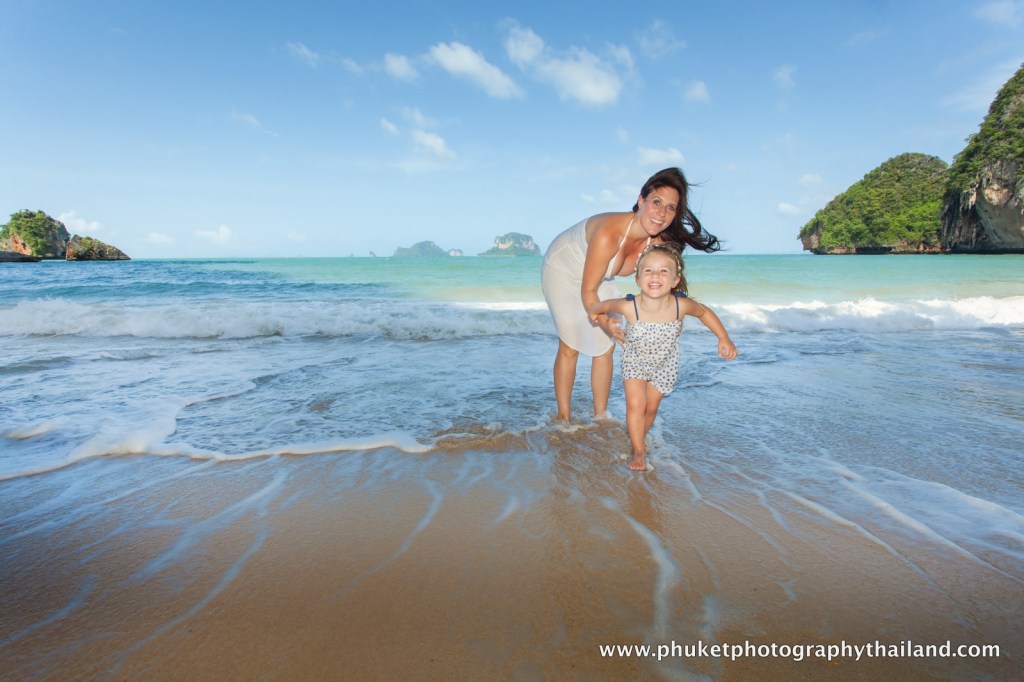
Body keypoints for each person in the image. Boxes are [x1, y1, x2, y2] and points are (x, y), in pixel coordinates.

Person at [541, 167, 721, 422]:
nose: (662, 213)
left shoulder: (656, 242)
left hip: (599, 274)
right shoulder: (608, 234)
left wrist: (676, 317)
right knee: (571, 345)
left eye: (670, 208)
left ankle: (600, 416)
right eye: (656, 202)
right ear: (641, 201)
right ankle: (563, 417)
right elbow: (588, 291)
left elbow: (667, 282)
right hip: (564, 268)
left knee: (605, 347)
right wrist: (605, 321)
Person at [588, 243, 738, 470]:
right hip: (634, 362)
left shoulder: (681, 305)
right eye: (648, 270)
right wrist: (598, 316)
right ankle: (638, 450)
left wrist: (723, 337)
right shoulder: (630, 306)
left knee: (650, 408)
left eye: (663, 271)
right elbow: (603, 305)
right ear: (638, 279)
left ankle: (638, 434)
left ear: (675, 280)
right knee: (636, 405)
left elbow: (704, 312)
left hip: (665, 365)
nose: (655, 276)